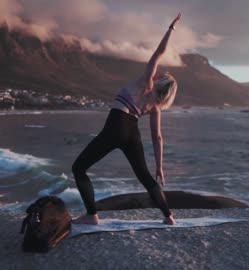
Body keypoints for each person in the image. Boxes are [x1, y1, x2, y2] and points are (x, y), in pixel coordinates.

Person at [72, 13, 181, 226]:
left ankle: (92, 215)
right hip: (132, 132)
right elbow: (157, 137)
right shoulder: (156, 107)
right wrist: (159, 166)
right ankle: (169, 217)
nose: (158, 73)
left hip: (116, 125)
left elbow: (160, 52)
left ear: (160, 81)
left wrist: (171, 28)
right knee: (146, 177)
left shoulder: (147, 81)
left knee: (79, 168)